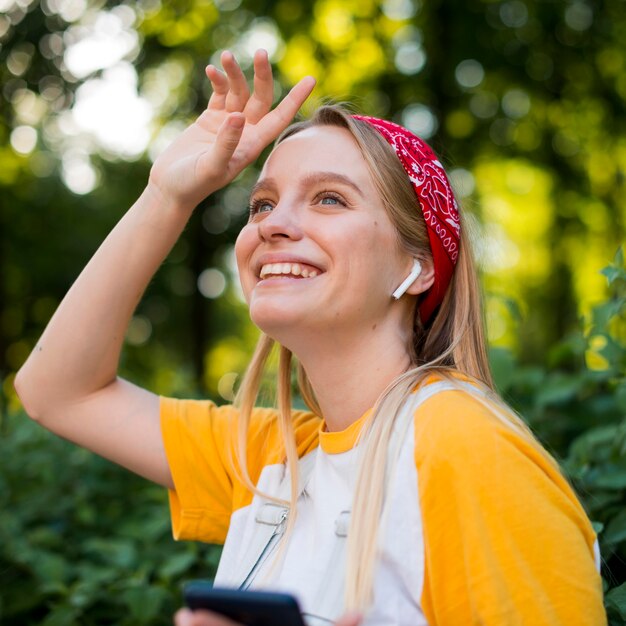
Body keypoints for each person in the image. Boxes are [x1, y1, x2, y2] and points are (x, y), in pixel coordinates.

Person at [14, 49, 606, 626]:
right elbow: (57, 390)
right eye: (261, 203)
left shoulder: (466, 447)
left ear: (421, 265)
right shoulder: (276, 459)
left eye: (329, 198)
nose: (272, 223)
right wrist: (169, 195)